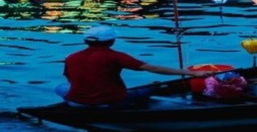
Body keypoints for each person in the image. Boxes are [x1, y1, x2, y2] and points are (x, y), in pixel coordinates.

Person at [60, 26, 210, 107]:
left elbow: (70, 78)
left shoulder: (71, 57)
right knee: (152, 87)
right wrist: (192, 73)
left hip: (77, 99)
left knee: (61, 87)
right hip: (112, 100)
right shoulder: (115, 55)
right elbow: (153, 68)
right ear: (111, 41)